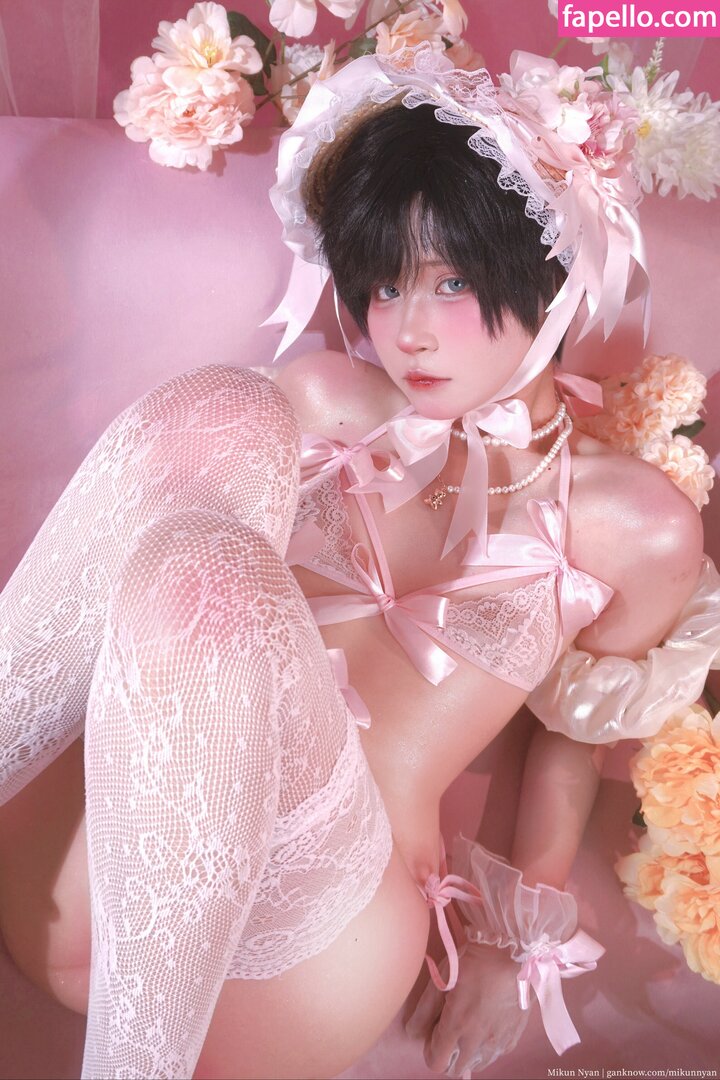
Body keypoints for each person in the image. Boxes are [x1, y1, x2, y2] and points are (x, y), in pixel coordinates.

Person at [0, 43, 715, 1080]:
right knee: (225, 422)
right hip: (100, 870)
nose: (407, 331)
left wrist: (504, 946)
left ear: (552, 276)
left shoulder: (636, 526)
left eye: (452, 282)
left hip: (308, 943)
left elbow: (568, 739)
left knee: (212, 573)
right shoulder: (331, 400)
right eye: (384, 286)